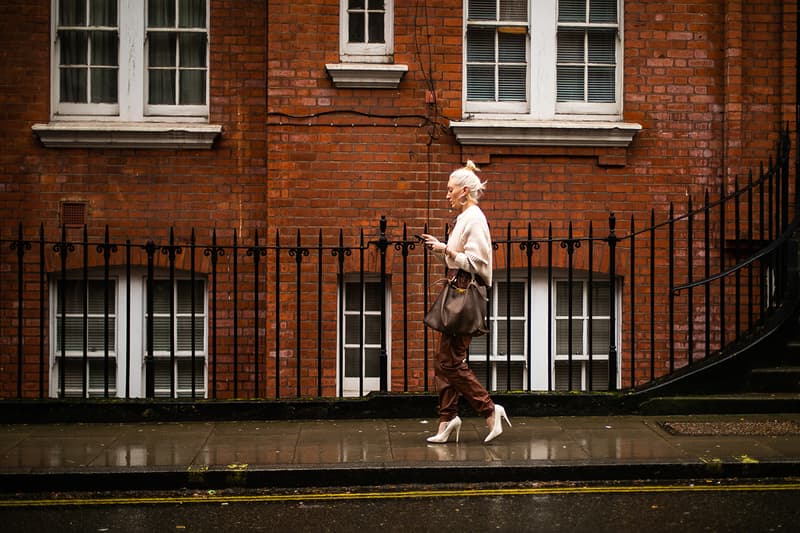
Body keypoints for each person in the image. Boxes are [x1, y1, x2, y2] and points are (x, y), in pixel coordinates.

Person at [421, 161, 511, 444]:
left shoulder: (474, 218)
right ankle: (447, 420)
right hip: (456, 288)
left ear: (464, 190)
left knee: (449, 362)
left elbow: (477, 262)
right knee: (443, 360)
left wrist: (445, 248)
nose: (447, 195)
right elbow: (456, 258)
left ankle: (489, 410)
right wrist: (440, 248)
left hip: (464, 293)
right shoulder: (464, 218)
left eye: (450, 190)